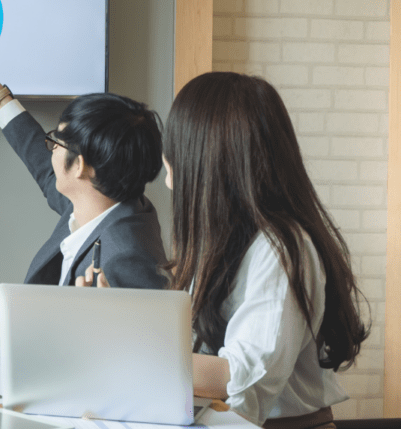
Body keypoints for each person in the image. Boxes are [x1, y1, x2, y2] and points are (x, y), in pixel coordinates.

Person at [79, 72, 369, 429]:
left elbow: (241, 377)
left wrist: (126, 343)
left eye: (174, 158)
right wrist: (118, 321)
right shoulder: (226, 240)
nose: (169, 180)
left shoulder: (279, 251)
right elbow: (199, 353)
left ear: (207, 162)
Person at [0, 41, 168, 290]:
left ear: (80, 166)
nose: (51, 150)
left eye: (56, 142)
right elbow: (44, 167)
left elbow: (144, 328)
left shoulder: (126, 258)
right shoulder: (102, 203)